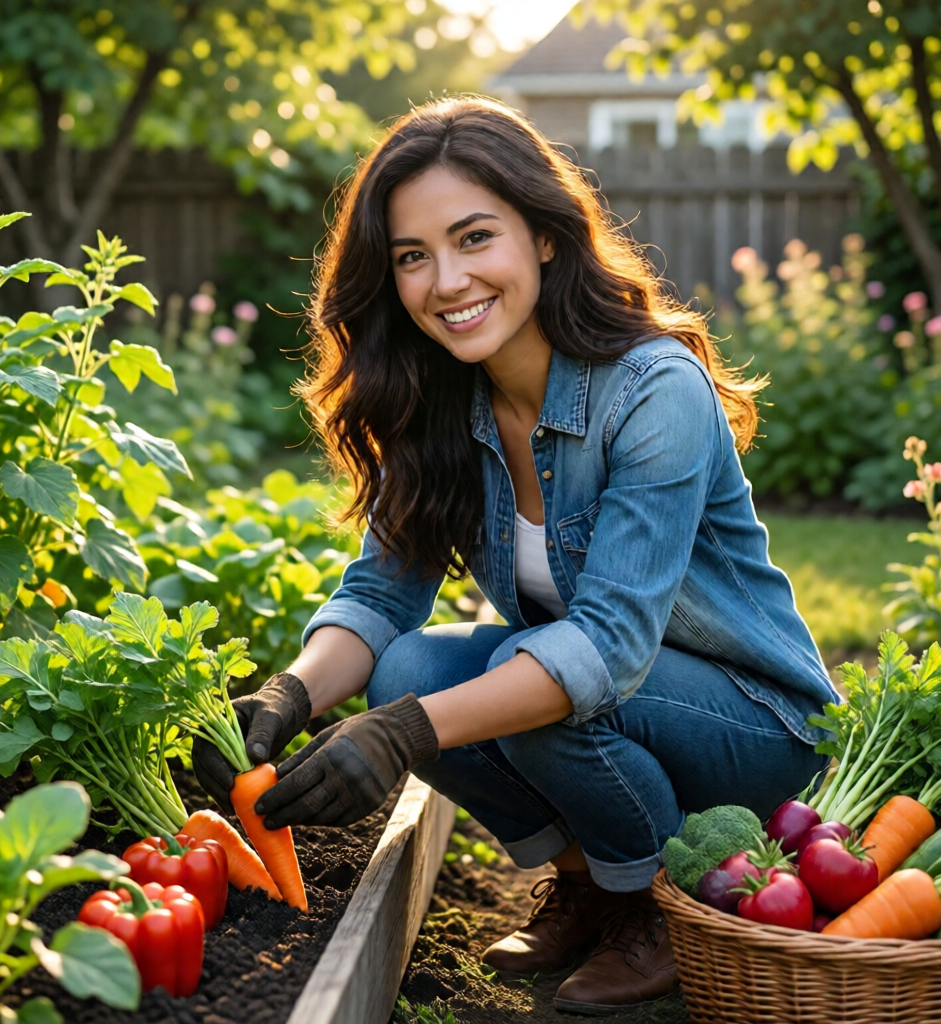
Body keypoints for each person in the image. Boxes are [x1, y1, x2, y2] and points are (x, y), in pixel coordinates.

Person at [193, 96, 838, 1015]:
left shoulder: (654, 392)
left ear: (543, 235)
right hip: (609, 703)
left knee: (521, 690)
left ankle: (658, 910)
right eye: (413, 257)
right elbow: (382, 595)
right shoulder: (439, 404)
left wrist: (404, 735)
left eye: (474, 238)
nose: (446, 280)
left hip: (753, 725)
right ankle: (589, 881)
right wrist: (288, 696)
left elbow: (607, 645)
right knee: (409, 668)